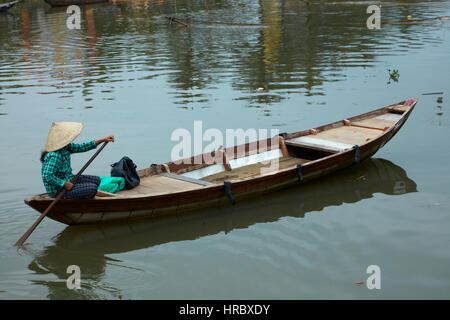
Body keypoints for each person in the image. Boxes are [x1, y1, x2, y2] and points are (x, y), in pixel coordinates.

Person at [40, 122, 115, 199]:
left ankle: (80, 192)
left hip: (69, 179)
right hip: (59, 190)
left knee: (96, 180)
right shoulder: (55, 155)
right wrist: (64, 184)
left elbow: (82, 147)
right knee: (92, 188)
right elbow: (47, 176)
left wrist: (103, 140)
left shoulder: (66, 147)